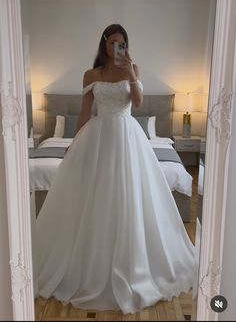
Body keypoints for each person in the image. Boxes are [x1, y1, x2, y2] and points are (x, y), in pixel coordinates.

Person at [35, 24, 195, 315]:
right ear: (104, 44)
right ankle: (88, 261)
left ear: (126, 45)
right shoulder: (91, 75)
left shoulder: (133, 70)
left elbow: (136, 103)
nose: (116, 48)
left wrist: (132, 73)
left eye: (121, 43)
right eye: (112, 43)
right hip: (97, 139)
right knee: (94, 196)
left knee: (127, 194)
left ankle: (134, 264)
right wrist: (73, 143)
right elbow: (85, 113)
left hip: (127, 136)